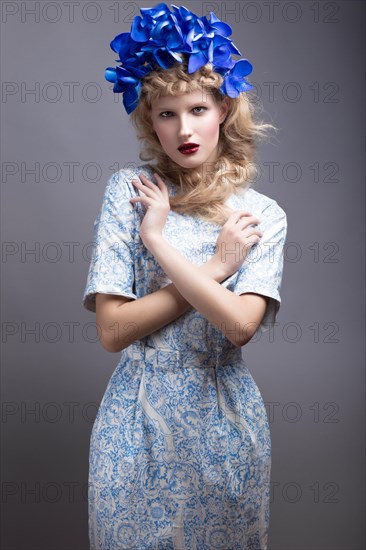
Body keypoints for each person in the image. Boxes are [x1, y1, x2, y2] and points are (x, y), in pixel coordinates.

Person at [82, 3, 287, 549]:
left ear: (224, 106)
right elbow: (113, 332)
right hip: (134, 429)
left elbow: (240, 326)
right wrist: (213, 265)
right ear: (150, 121)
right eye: (166, 114)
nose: (184, 128)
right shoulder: (131, 193)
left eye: (197, 108)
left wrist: (163, 248)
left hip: (225, 429)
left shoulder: (261, 215)